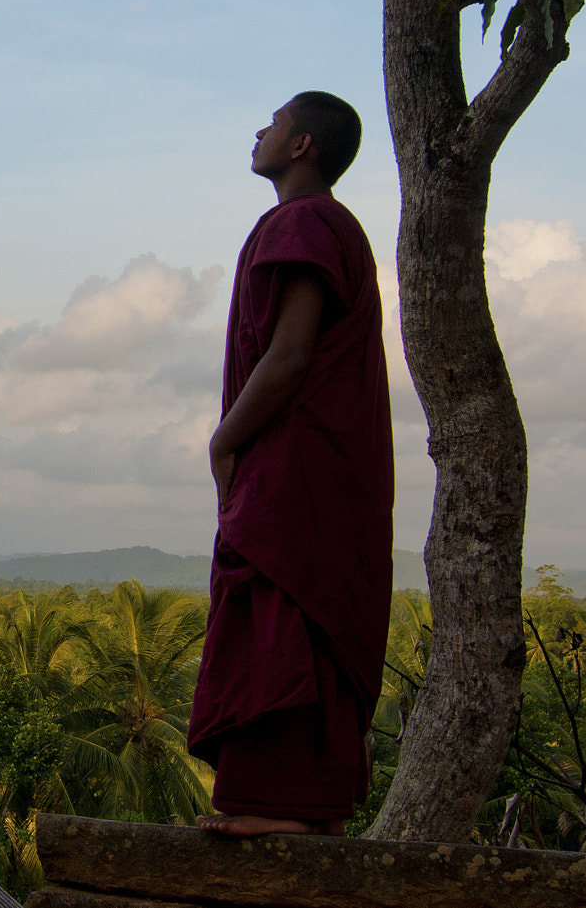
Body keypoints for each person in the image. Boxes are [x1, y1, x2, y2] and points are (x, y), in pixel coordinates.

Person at [188, 91, 394, 837]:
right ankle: (298, 806)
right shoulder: (333, 225)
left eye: (272, 122)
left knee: (283, 611)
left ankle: (283, 807)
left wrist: (224, 439)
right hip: (320, 463)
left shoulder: (305, 222)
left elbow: (290, 353)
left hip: (294, 459)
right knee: (299, 615)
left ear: (302, 144)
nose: (259, 130)